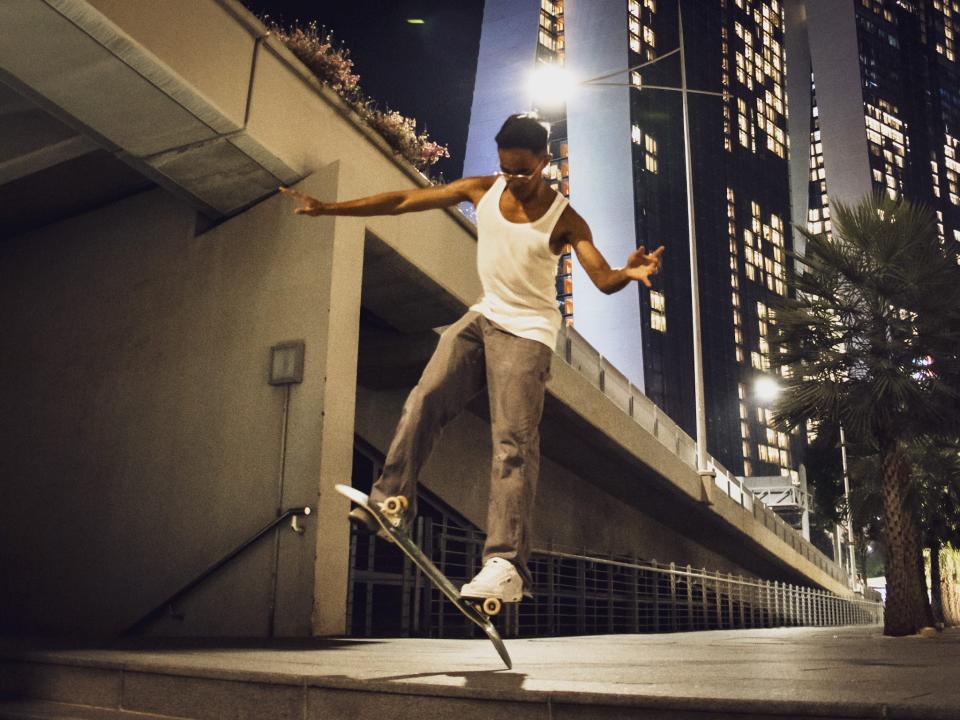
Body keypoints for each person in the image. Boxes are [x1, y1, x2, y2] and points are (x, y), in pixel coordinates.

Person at [280, 113, 664, 606]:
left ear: (545, 162)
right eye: (506, 168)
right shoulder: (480, 190)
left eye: (523, 171)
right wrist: (327, 207)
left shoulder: (564, 218)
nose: (513, 180)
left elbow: (603, 278)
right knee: (424, 401)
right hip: (482, 319)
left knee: (513, 444)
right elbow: (401, 201)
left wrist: (628, 272)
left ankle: (506, 565)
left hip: (528, 333)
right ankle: (393, 501)